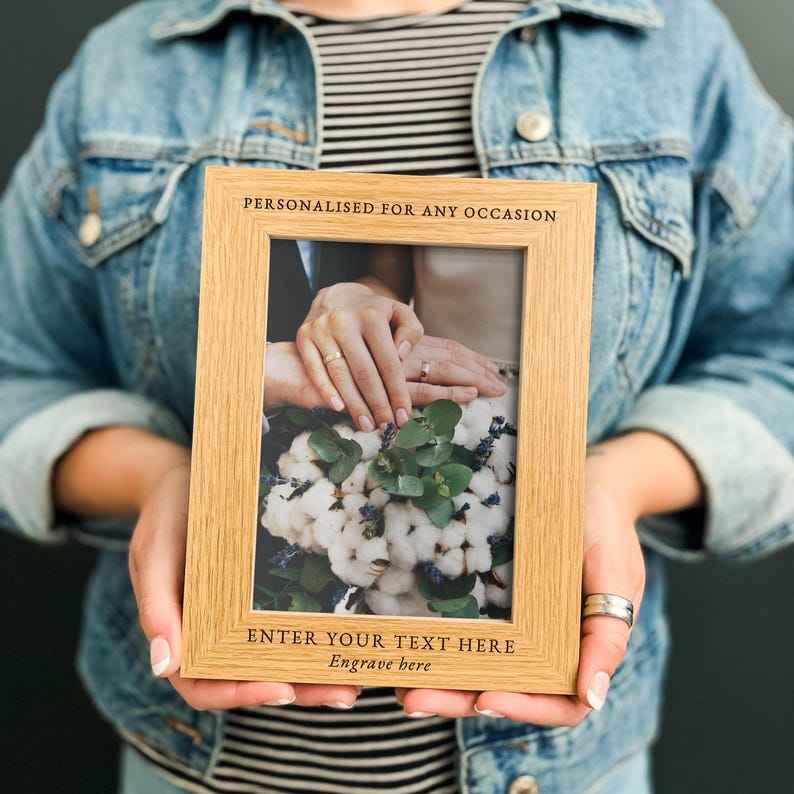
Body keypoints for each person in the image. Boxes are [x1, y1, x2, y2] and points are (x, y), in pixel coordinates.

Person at [1, 1, 793, 793]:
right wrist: (163, 479)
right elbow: (19, 375)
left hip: (561, 766)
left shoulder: (665, 46)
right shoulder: (134, 65)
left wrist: (612, 486)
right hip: (194, 760)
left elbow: (777, 357)